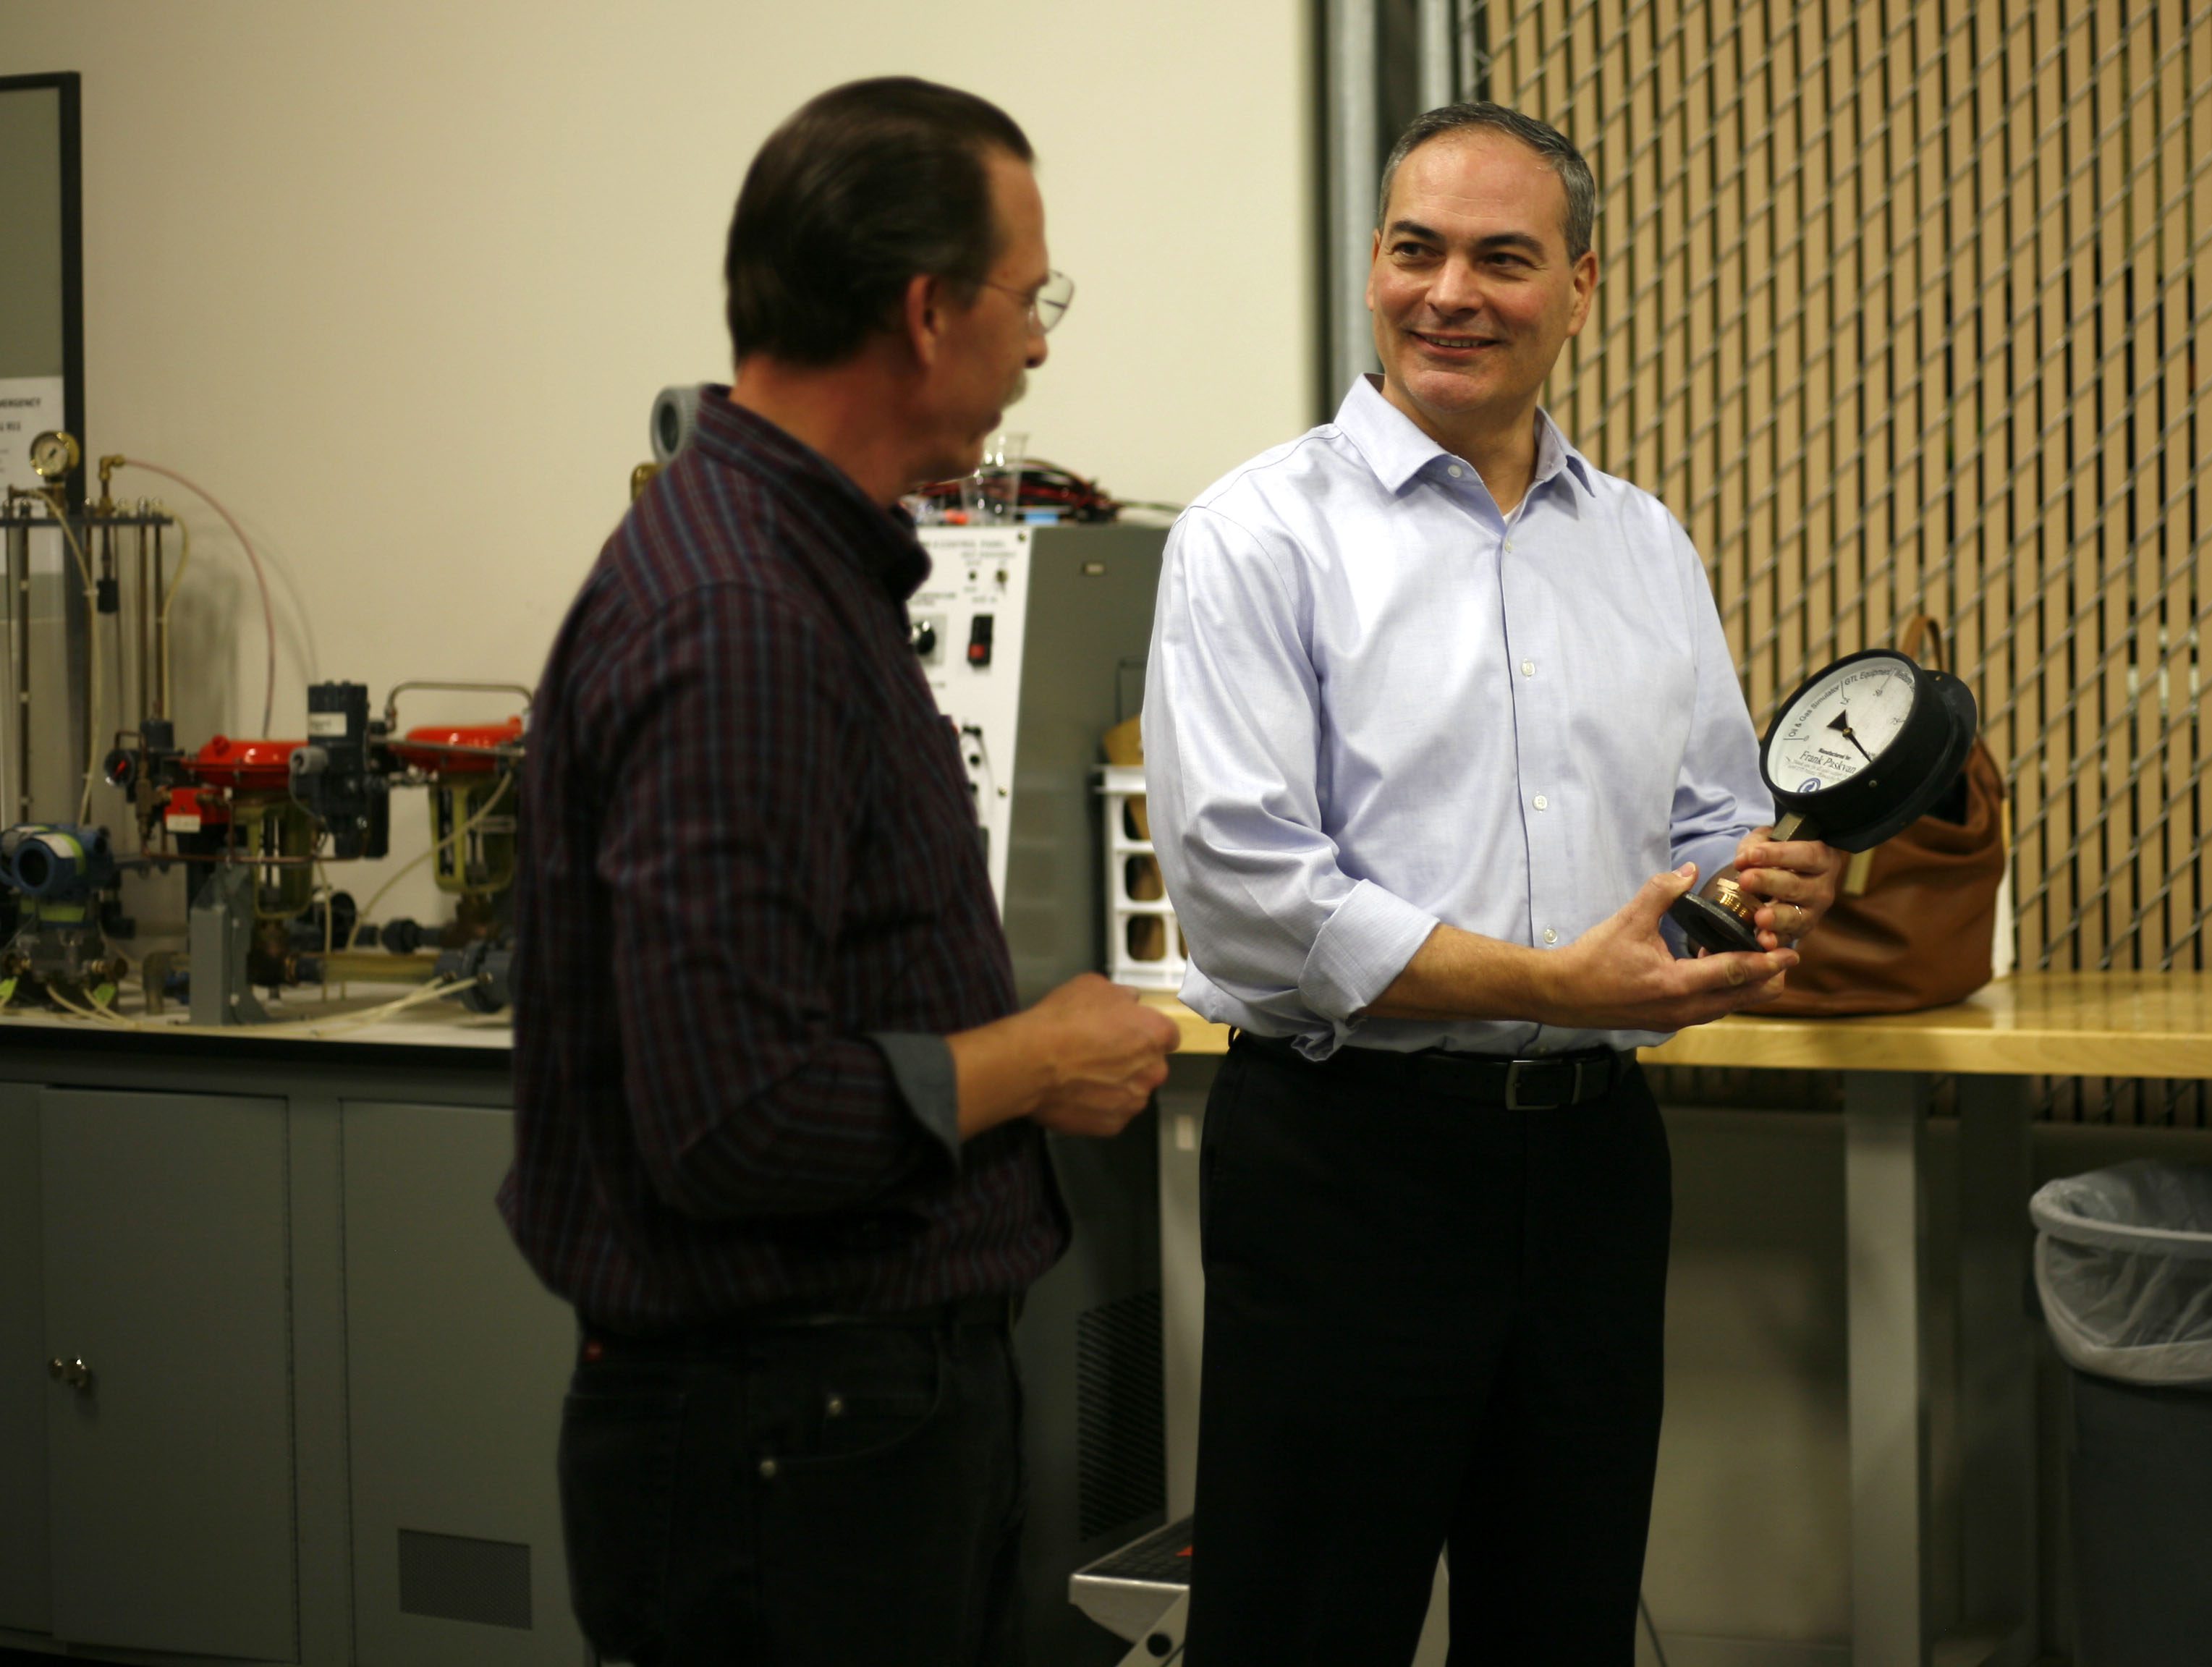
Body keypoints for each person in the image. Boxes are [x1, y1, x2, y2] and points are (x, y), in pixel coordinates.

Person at [1142, 102, 1843, 1663]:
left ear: (1579, 288)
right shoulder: (1257, 535)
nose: (1450, 292)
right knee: (1307, 1630)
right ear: (1373, 267)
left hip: (1593, 1170)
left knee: (1563, 1623)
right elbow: (1250, 890)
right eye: (1418, 249)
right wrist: (1553, 984)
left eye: (1503, 259)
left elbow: (1714, 815)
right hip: (1346, 1165)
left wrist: (1772, 883)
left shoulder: (1643, 543)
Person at [502, 77, 1180, 1667]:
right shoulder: (740, 614)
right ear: (929, 311)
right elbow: (731, 1118)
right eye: (1029, 301)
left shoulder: (801, 566)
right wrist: (1037, 1060)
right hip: (787, 1437)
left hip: (833, 1413)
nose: (1039, 350)